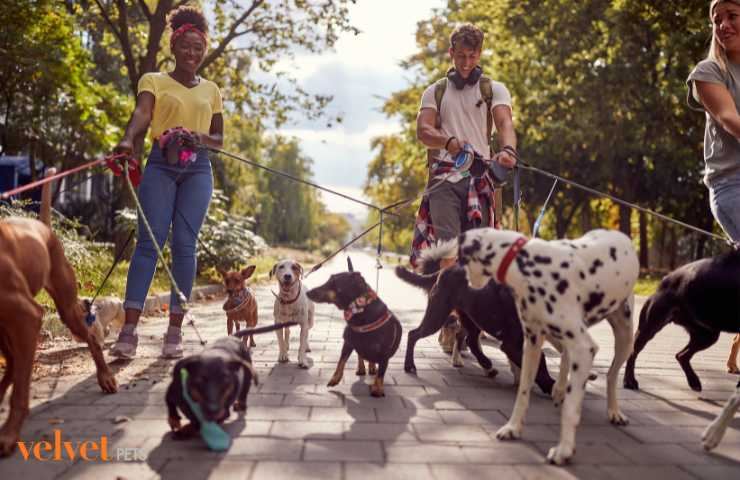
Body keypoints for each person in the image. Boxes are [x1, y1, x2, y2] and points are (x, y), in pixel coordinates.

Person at [110, 5, 223, 359]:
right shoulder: (154, 80)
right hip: (161, 164)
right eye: (186, 46)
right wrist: (128, 140)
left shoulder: (212, 90)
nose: (192, 53)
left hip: (198, 169)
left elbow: (218, 139)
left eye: (198, 47)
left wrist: (198, 137)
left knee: (185, 246)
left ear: (204, 51)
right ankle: (128, 332)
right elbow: (143, 113)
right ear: (173, 47)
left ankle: (174, 332)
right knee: (149, 243)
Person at [412, 23, 517, 270]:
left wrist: (509, 150)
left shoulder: (494, 89)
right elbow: (423, 130)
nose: (466, 63)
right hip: (444, 179)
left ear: (479, 54)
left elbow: (504, 123)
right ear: (451, 53)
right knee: (448, 250)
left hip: (480, 177)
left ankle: (471, 307)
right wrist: (447, 142)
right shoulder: (435, 91)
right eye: (461, 56)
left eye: (472, 56)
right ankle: (447, 306)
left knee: (477, 255)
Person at [687, 0, 740, 377]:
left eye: (732, 15)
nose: (722, 25)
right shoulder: (708, 71)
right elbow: (728, 118)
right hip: (731, 186)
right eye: (716, 19)